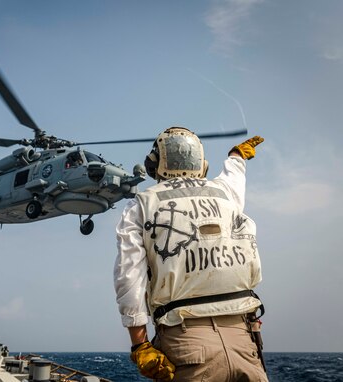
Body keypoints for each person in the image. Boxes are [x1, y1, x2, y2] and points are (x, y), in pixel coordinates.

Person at [114, 127, 268, 382]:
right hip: (244, 340)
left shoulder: (140, 206)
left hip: (186, 343)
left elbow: (128, 277)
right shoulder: (224, 193)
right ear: (202, 165)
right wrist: (236, 156)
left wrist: (139, 346)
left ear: (154, 165)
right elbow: (234, 176)